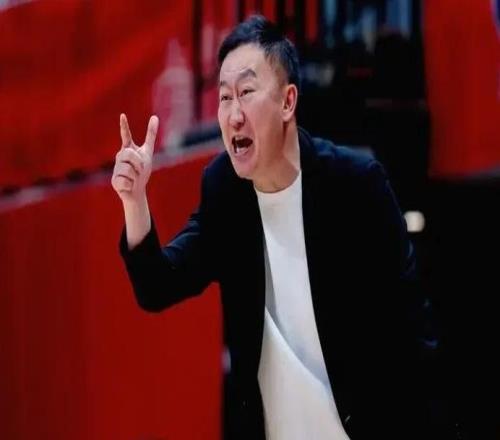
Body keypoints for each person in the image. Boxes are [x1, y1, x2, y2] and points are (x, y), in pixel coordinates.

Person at [112, 15, 434, 440]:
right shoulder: (225, 191)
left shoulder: (355, 185)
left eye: (246, 92)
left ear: (287, 101)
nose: (233, 114)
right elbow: (157, 285)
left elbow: (413, 335)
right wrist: (134, 201)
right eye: (224, 97)